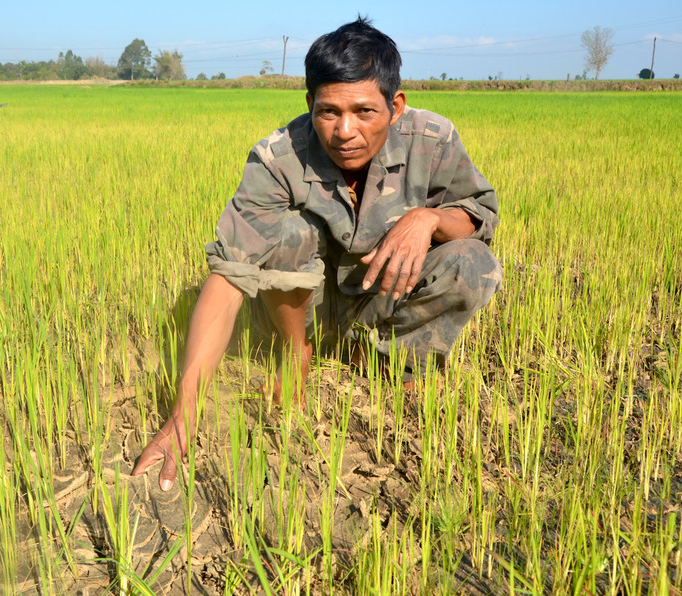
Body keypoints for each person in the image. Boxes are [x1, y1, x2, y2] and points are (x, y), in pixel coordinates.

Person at [132, 17, 502, 491]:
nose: (345, 131)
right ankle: (297, 355)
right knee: (288, 231)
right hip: (301, 309)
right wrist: (183, 416)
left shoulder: (433, 138)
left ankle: (388, 357)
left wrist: (428, 219)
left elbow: (478, 214)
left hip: (379, 297)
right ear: (310, 105)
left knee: (474, 263)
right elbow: (230, 275)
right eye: (329, 112)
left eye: (364, 112)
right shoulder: (278, 158)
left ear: (395, 107)